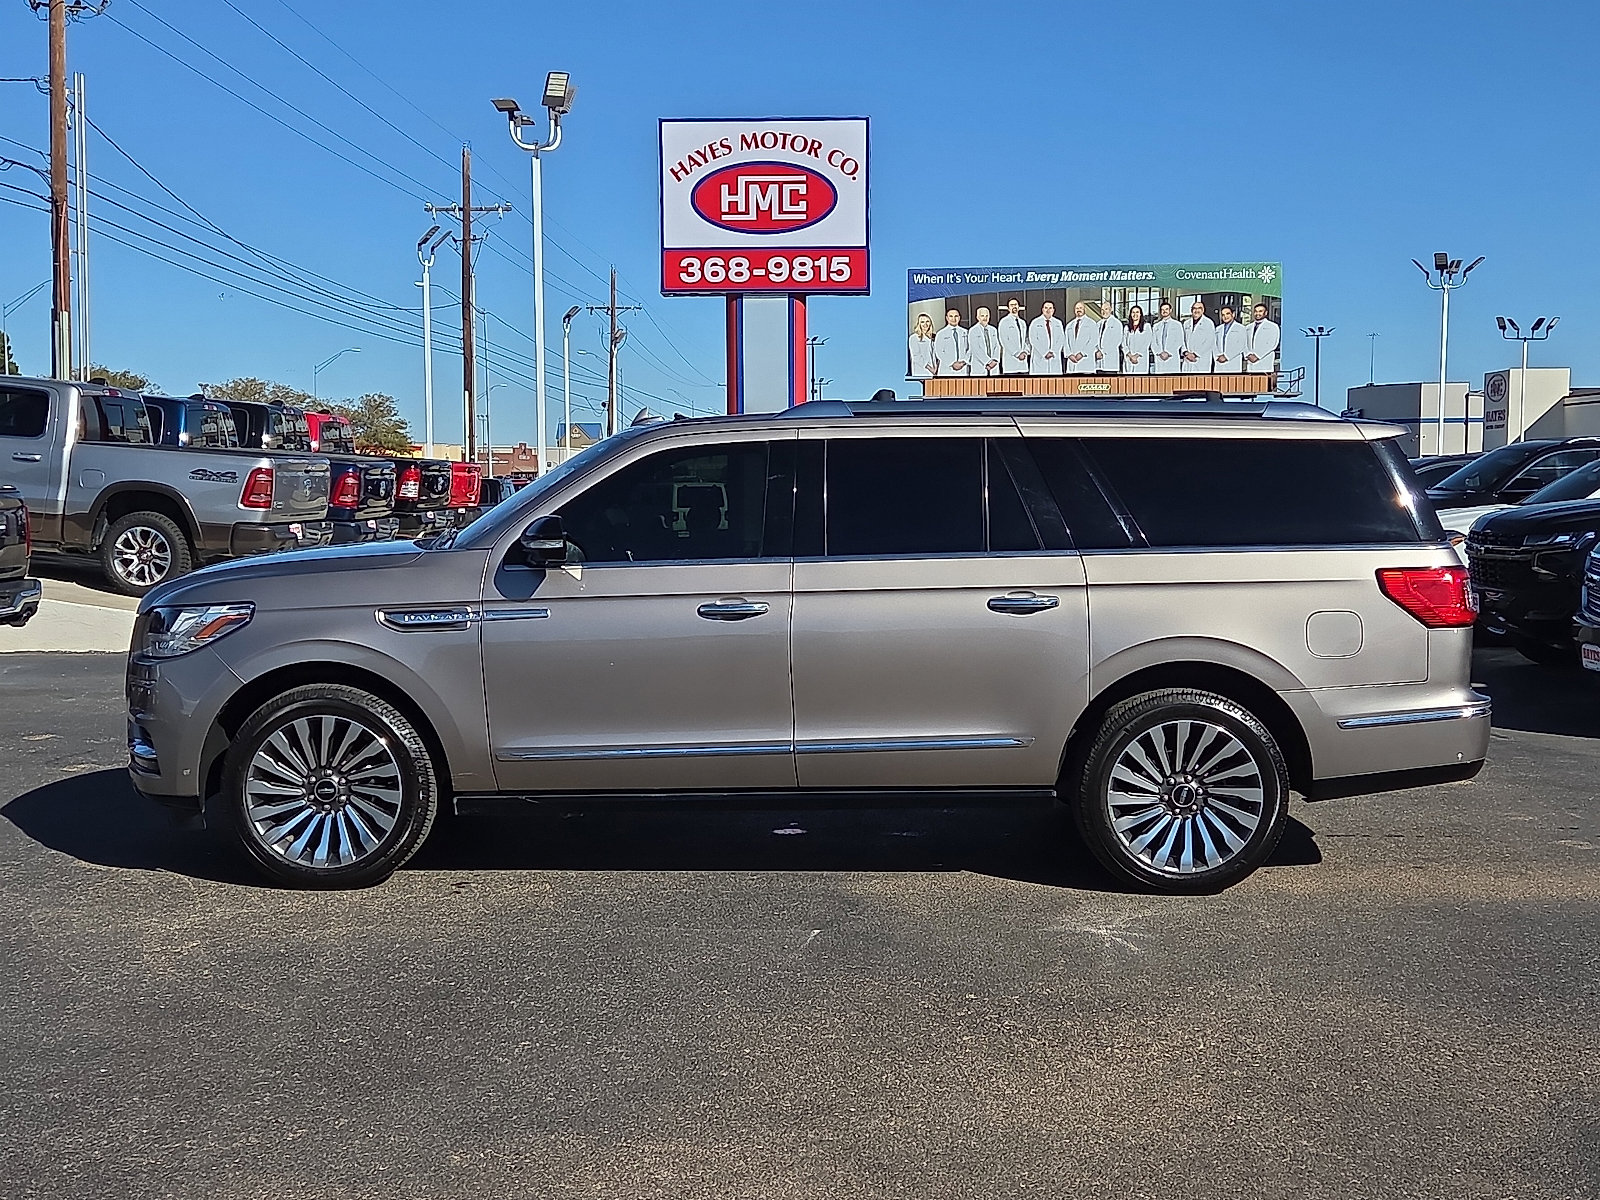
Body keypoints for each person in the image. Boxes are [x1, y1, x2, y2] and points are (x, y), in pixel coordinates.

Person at [1028, 301, 1065, 375]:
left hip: (1054, 358)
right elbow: (1033, 340)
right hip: (1040, 358)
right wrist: (1045, 353)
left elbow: (1061, 339)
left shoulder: (1058, 323)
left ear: (1053, 310)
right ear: (1042, 309)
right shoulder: (1035, 322)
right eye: (1046, 308)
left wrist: (1053, 352)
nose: (1048, 310)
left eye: (1050, 308)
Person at [932, 308, 970, 377]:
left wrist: (964, 362)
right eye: (951, 316)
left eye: (956, 316)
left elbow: (970, 349)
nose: (953, 319)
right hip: (947, 369)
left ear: (959, 318)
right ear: (947, 318)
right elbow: (939, 352)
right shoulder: (941, 333)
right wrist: (951, 363)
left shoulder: (966, 332)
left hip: (962, 369)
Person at [1150, 300, 1184, 375]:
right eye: (1162, 310)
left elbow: (1179, 341)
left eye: (1166, 309)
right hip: (1159, 357)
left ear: (1170, 310)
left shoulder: (1177, 325)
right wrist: (1159, 352)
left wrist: (1168, 352)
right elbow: (1153, 342)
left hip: (1171, 357)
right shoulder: (1156, 326)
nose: (1164, 311)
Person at [1246, 302, 1280, 375]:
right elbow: (1244, 343)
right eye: (1256, 311)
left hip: (1264, 362)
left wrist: (1257, 356)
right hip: (1250, 363)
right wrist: (1248, 355)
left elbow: (1272, 344)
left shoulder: (1273, 326)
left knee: (1263, 384)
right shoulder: (1248, 327)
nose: (1257, 313)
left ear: (1266, 313)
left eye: (1260, 311)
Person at [1062, 301, 1097, 375]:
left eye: (1081, 308)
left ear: (1084, 310)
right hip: (1072, 363)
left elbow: (1093, 341)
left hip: (1086, 364)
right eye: (1077, 308)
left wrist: (1082, 353)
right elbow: (1065, 342)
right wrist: (1069, 354)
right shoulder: (1069, 325)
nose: (1079, 310)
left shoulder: (1091, 323)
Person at [1181, 300, 1215, 373]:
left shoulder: (1208, 323)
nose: (1196, 310)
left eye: (1199, 308)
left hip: (1201, 360)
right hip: (1187, 359)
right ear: (1191, 310)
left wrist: (1195, 354)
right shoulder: (1186, 323)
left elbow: (1209, 342)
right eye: (1194, 308)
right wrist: (1186, 353)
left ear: (1203, 310)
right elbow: (1182, 340)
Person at [998, 298, 1029, 374]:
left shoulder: (1022, 323)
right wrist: (1017, 353)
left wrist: (1025, 352)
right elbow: (1004, 341)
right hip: (1010, 364)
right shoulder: (1004, 322)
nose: (1014, 306)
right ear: (1008, 308)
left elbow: (1026, 339)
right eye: (1011, 305)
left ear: (1018, 307)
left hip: (1023, 364)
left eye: (1015, 304)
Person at [969, 307, 1002, 377]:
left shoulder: (993, 330)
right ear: (977, 317)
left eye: (987, 316)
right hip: (980, 366)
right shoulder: (973, 330)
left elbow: (997, 346)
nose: (985, 318)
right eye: (982, 316)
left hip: (994, 366)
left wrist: (995, 360)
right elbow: (976, 349)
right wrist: (988, 362)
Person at [1121, 305, 1153, 375]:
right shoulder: (1126, 328)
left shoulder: (1146, 326)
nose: (1135, 314)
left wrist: (1136, 356)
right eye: (1133, 312)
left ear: (1140, 314)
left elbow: (1147, 343)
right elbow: (1123, 344)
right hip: (1129, 359)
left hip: (1140, 359)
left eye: (1137, 312)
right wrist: (1130, 355)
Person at [1213, 305, 1245, 373]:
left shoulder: (1240, 328)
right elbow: (1214, 344)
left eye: (1227, 314)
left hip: (1233, 362)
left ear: (1233, 314)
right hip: (1219, 362)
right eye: (1223, 315)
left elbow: (1241, 345)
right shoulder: (1218, 329)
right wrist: (1217, 356)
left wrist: (1227, 356)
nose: (1225, 316)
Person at [1095, 301, 1124, 374]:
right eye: (1102, 310)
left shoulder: (1117, 323)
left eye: (1106, 309)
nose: (1104, 312)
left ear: (1111, 309)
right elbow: (1094, 340)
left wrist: (1102, 352)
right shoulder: (1098, 324)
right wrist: (1096, 351)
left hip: (1110, 362)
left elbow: (1116, 342)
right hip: (1099, 362)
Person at [908, 312, 936, 379]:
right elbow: (916, 356)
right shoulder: (914, 338)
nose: (925, 324)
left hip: (934, 372)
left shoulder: (934, 337)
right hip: (921, 371)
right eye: (922, 322)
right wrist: (930, 368)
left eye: (927, 321)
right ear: (919, 324)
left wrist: (936, 368)